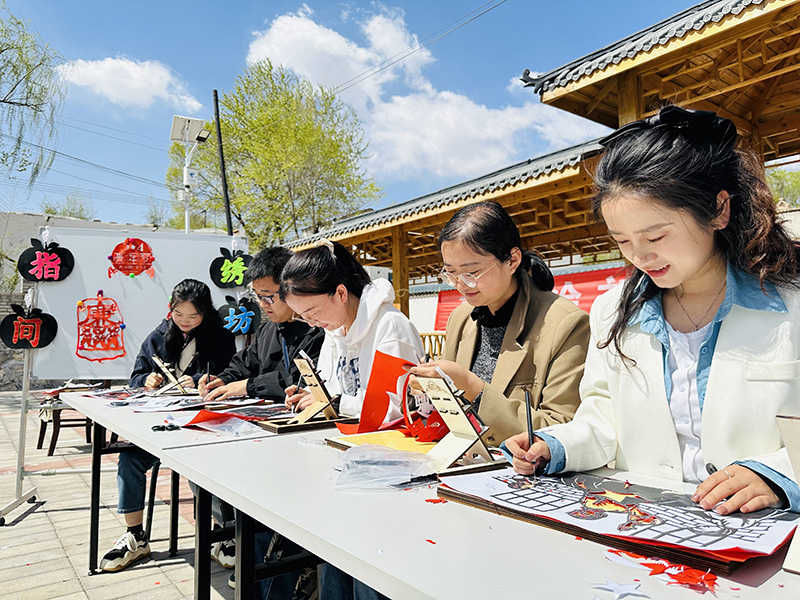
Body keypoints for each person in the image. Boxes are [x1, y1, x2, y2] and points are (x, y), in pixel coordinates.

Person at [504, 105, 800, 515]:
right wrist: (555, 446)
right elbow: (602, 422)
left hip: (767, 539)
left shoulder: (792, 304)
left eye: (655, 235)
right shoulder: (611, 311)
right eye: (622, 241)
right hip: (645, 524)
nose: (640, 255)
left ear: (718, 209)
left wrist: (778, 474)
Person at [281, 239, 424, 600]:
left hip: (388, 469)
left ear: (341, 293)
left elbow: (396, 409)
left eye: (312, 311)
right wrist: (313, 398)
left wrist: (334, 401)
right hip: (347, 458)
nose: (311, 323)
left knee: (368, 573)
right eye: (303, 316)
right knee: (333, 560)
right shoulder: (333, 330)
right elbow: (333, 391)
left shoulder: (391, 326)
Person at [407, 200, 590, 445]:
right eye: (450, 272)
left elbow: (560, 431)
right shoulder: (460, 319)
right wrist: (429, 392)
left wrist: (472, 386)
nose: (461, 284)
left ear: (512, 260)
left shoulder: (564, 323)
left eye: (471, 272)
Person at [198, 246, 324, 597]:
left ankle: (281, 569)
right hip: (261, 434)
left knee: (261, 506)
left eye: (270, 296)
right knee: (204, 478)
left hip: (300, 443)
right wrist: (221, 379)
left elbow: (299, 378)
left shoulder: (316, 325)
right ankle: (242, 548)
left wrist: (248, 386)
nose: (264, 304)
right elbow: (244, 363)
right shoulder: (269, 329)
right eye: (258, 296)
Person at [100, 279, 236, 572]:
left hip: (200, 423)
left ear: (206, 313)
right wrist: (145, 381)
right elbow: (136, 377)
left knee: (203, 465)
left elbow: (230, 375)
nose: (185, 322)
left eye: (194, 316)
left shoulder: (221, 337)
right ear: (170, 310)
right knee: (129, 459)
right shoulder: (157, 336)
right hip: (159, 424)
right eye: (179, 315)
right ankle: (135, 536)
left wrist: (202, 379)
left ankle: (219, 533)